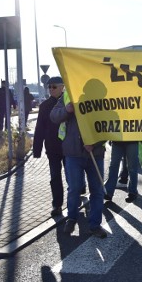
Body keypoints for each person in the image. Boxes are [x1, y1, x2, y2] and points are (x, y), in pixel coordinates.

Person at [50, 84, 107, 238]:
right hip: (73, 152)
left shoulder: (102, 101)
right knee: (74, 188)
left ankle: (95, 225)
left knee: (97, 191)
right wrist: (67, 110)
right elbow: (54, 116)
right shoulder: (70, 95)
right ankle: (72, 218)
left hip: (95, 154)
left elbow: (109, 126)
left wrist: (94, 143)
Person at [32, 77, 65, 216]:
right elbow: (40, 128)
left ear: (62, 87)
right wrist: (37, 149)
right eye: (49, 87)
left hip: (69, 147)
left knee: (72, 177)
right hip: (52, 148)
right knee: (55, 177)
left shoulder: (69, 102)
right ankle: (57, 205)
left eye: (54, 86)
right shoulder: (44, 106)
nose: (51, 89)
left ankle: (79, 190)